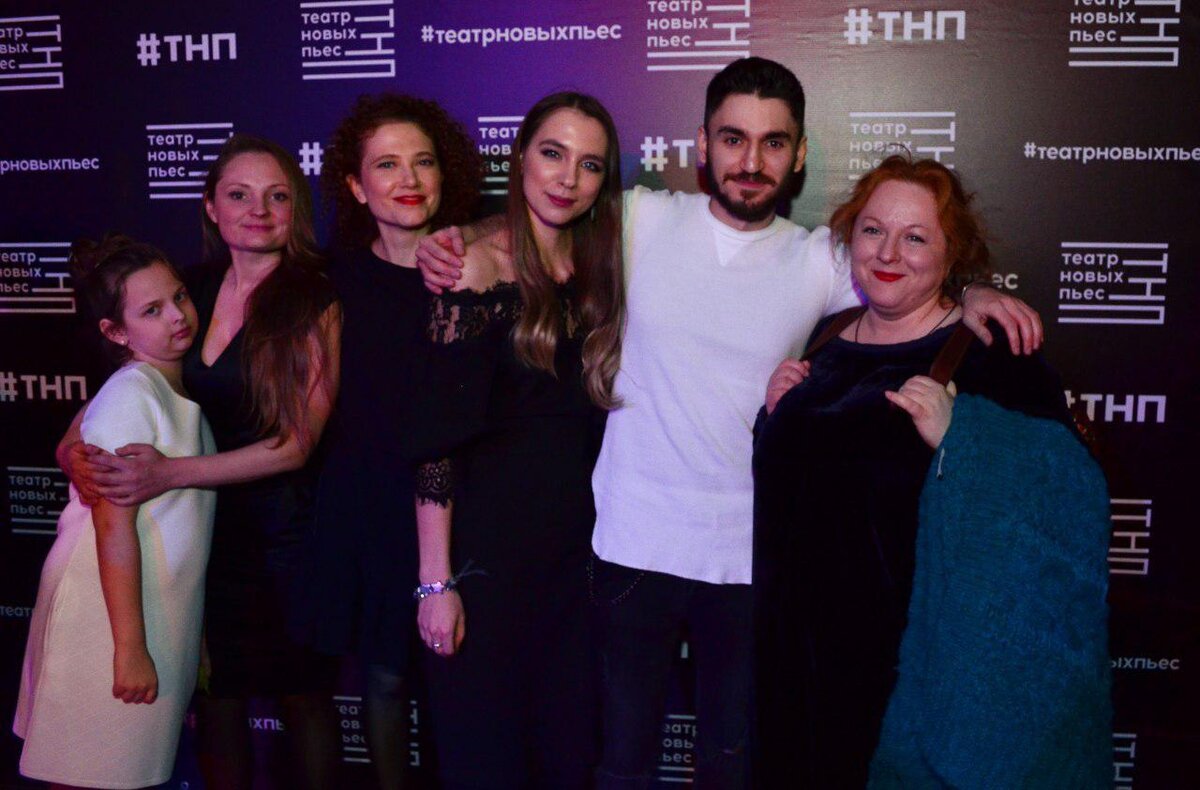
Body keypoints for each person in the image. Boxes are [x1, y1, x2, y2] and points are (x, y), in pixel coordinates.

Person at [417, 57, 1044, 789]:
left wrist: (972, 294)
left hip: (749, 560)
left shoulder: (822, 259)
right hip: (632, 546)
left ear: (799, 154)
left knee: (729, 762)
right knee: (620, 762)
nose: (751, 161)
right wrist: (460, 238)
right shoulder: (638, 218)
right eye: (733, 138)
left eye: (773, 142)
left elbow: (909, 269)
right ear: (702, 145)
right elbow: (540, 221)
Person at [752, 154, 1111, 786]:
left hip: (913, 676)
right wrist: (774, 418)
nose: (889, 251)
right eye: (873, 230)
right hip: (796, 671)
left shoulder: (993, 355)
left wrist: (962, 435)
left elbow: (1071, 501)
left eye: (916, 237)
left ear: (952, 255)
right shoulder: (826, 338)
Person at [59, 135, 343, 789]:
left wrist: (167, 473)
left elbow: (296, 443)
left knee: (304, 698)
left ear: (295, 207)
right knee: (215, 702)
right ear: (212, 206)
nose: (258, 211)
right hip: (195, 537)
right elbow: (122, 387)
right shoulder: (189, 288)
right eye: (239, 195)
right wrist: (72, 450)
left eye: (276, 196)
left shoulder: (314, 297)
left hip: (287, 538)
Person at [410, 91, 624, 788]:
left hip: (578, 566)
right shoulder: (473, 267)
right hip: (487, 564)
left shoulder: (604, 272)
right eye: (553, 154)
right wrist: (435, 582)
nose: (568, 178)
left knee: (567, 758)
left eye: (589, 164)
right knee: (487, 760)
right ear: (521, 157)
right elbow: (436, 444)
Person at [312, 93, 481, 790]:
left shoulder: (482, 267)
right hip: (370, 514)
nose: (409, 178)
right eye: (387, 164)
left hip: (470, 510)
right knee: (383, 679)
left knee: (463, 685)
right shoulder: (334, 281)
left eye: (423, 161)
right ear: (356, 186)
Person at [14, 236, 216, 788]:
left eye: (179, 297)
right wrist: (129, 649)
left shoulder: (159, 387)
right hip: (107, 620)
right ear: (116, 332)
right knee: (87, 773)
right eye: (152, 310)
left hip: (148, 615)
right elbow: (112, 524)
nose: (177, 316)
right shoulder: (131, 394)